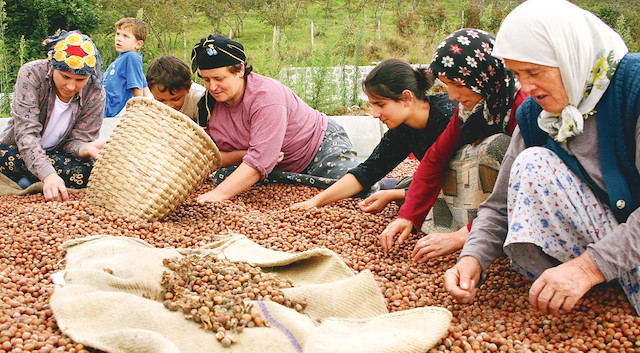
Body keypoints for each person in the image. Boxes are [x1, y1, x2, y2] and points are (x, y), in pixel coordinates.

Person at [444, 0, 640, 316]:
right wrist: (472, 257)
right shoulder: (537, 114)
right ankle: (607, 294)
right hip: (606, 250)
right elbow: (499, 205)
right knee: (532, 163)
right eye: (518, 74)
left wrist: (588, 269)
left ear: (571, 56)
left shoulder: (633, 88)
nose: (527, 87)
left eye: (534, 72)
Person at [379, 28, 527, 261]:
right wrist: (407, 216)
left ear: (482, 75)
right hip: (488, 209)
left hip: (517, 206)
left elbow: (528, 187)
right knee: (454, 158)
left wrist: (463, 237)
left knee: (497, 146)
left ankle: (490, 236)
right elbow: (435, 158)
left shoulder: (523, 108)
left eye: (457, 83)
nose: (451, 95)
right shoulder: (471, 110)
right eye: (447, 84)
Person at [190, 35, 360, 202]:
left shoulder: (266, 97)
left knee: (357, 189)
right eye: (206, 79)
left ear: (240, 70)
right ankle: (296, 182)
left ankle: (384, 185)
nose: (212, 87)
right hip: (276, 168)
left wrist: (219, 194)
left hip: (317, 148)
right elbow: (212, 156)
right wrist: (246, 155)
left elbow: (260, 160)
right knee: (222, 177)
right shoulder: (207, 105)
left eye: (219, 79)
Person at [290, 59, 456, 211]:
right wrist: (315, 202)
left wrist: (392, 195)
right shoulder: (402, 129)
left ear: (406, 97)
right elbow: (367, 172)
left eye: (380, 104)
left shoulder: (449, 117)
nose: (375, 114)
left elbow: (459, 181)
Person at [0, 30, 106, 201]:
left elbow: (76, 141)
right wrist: (48, 174)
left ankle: (27, 180)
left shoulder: (95, 92)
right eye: (65, 77)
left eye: (80, 80)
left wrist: (84, 148)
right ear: (52, 66)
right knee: (4, 156)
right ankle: (40, 179)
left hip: (59, 157)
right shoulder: (31, 74)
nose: (71, 86)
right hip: (19, 151)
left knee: (91, 172)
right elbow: (26, 133)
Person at [103, 17, 150, 117]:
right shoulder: (122, 58)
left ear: (138, 44)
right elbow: (144, 86)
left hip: (106, 106)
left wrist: (138, 113)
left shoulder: (132, 57)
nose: (119, 38)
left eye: (125, 36)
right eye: (118, 34)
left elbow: (137, 87)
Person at [147, 55, 206, 121]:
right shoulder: (150, 104)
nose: (168, 106)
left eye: (175, 99)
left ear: (189, 87)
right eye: (161, 100)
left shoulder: (201, 99)